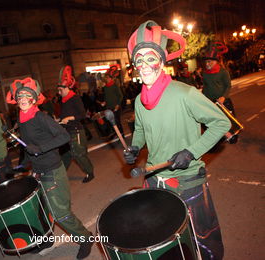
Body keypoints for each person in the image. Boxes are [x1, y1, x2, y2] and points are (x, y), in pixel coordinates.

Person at [125, 20, 231, 260]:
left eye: (150, 58)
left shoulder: (185, 93)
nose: (144, 65)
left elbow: (221, 123)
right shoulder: (139, 101)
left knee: (202, 237)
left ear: (162, 62)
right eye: (138, 60)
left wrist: (191, 152)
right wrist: (135, 146)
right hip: (155, 178)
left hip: (187, 179)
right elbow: (141, 129)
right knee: (166, 236)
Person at [6, 77, 93, 259]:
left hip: (52, 171)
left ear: (33, 99)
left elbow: (64, 137)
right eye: (19, 96)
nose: (22, 99)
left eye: (26, 96)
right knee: (42, 210)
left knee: (60, 213)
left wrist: (40, 149)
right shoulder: (22, 119)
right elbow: (28, 146)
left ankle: (86, 238)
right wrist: (22, 165)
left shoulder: (40, 117)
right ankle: (46, 241)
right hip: (38, 171)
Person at [57, 65, 95, 183]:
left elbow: (82, 115)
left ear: (66, 88)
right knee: (65, 154)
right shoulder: (63, 100)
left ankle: (90, 173)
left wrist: (70, 118)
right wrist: (59, 119)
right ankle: (60, 176)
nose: (59, 93)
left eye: (60, 90)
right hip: (66, 131)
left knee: (79, 154)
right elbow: (65, 115)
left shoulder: (75, 98)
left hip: (76, 131)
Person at [202, 41, 238, 144]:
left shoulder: (223, 72)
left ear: (216, 61)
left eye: (210, 62)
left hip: (223, 101)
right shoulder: (204, 74)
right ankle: (220, 137)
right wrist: (203, 98)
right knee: (212, 121)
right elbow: (205, 87)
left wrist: (223, 97)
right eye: (206, 62)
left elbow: (228, 86)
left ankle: (232, 135)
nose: (207, 64)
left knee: (229, 120)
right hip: (211, 102)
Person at [102, 65, 124, 135]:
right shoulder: (105, 87)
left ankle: (121, 134)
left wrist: (118, 105)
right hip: (109, 107)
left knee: (117, 121)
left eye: (108, 78)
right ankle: (115, 133)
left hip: (116, 107)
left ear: (111, 78)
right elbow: (106, 97)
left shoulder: (115, 86)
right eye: (106, 78)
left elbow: (121, 96)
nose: (107, 79)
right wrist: (104, 102)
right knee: (110, 121)